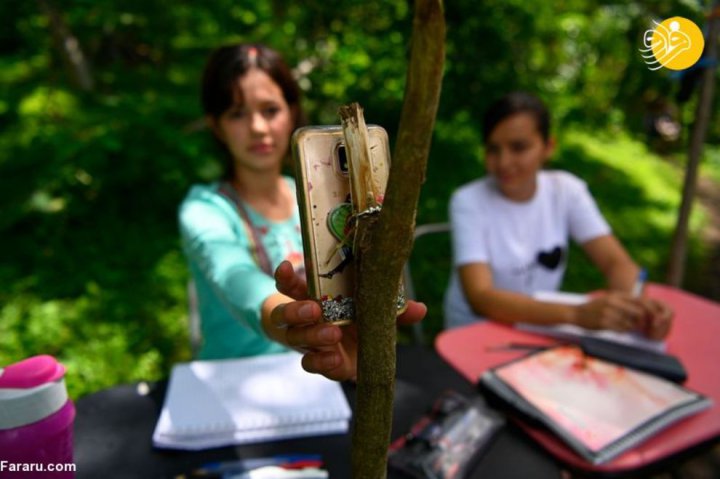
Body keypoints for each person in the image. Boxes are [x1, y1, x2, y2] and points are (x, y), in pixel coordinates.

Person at [179, 43, 425, 381]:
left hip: (322, 379)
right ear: (217, 126)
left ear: (292, 112)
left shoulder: (319, 200)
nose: (258, 128)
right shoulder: (205, 209)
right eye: (237, 113)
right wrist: (289, 321)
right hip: (229, 383)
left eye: (270, 109)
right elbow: (233, 276)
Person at [443, 92, 673, 340]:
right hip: (475, 332)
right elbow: (480, 297)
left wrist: (637, 307)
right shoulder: (468, 201)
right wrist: (577, 315)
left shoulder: (566, 191)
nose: (504, 162)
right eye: (493, 149)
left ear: (548, 147)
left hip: (537, 328)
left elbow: (615, 262)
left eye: (518, 147)